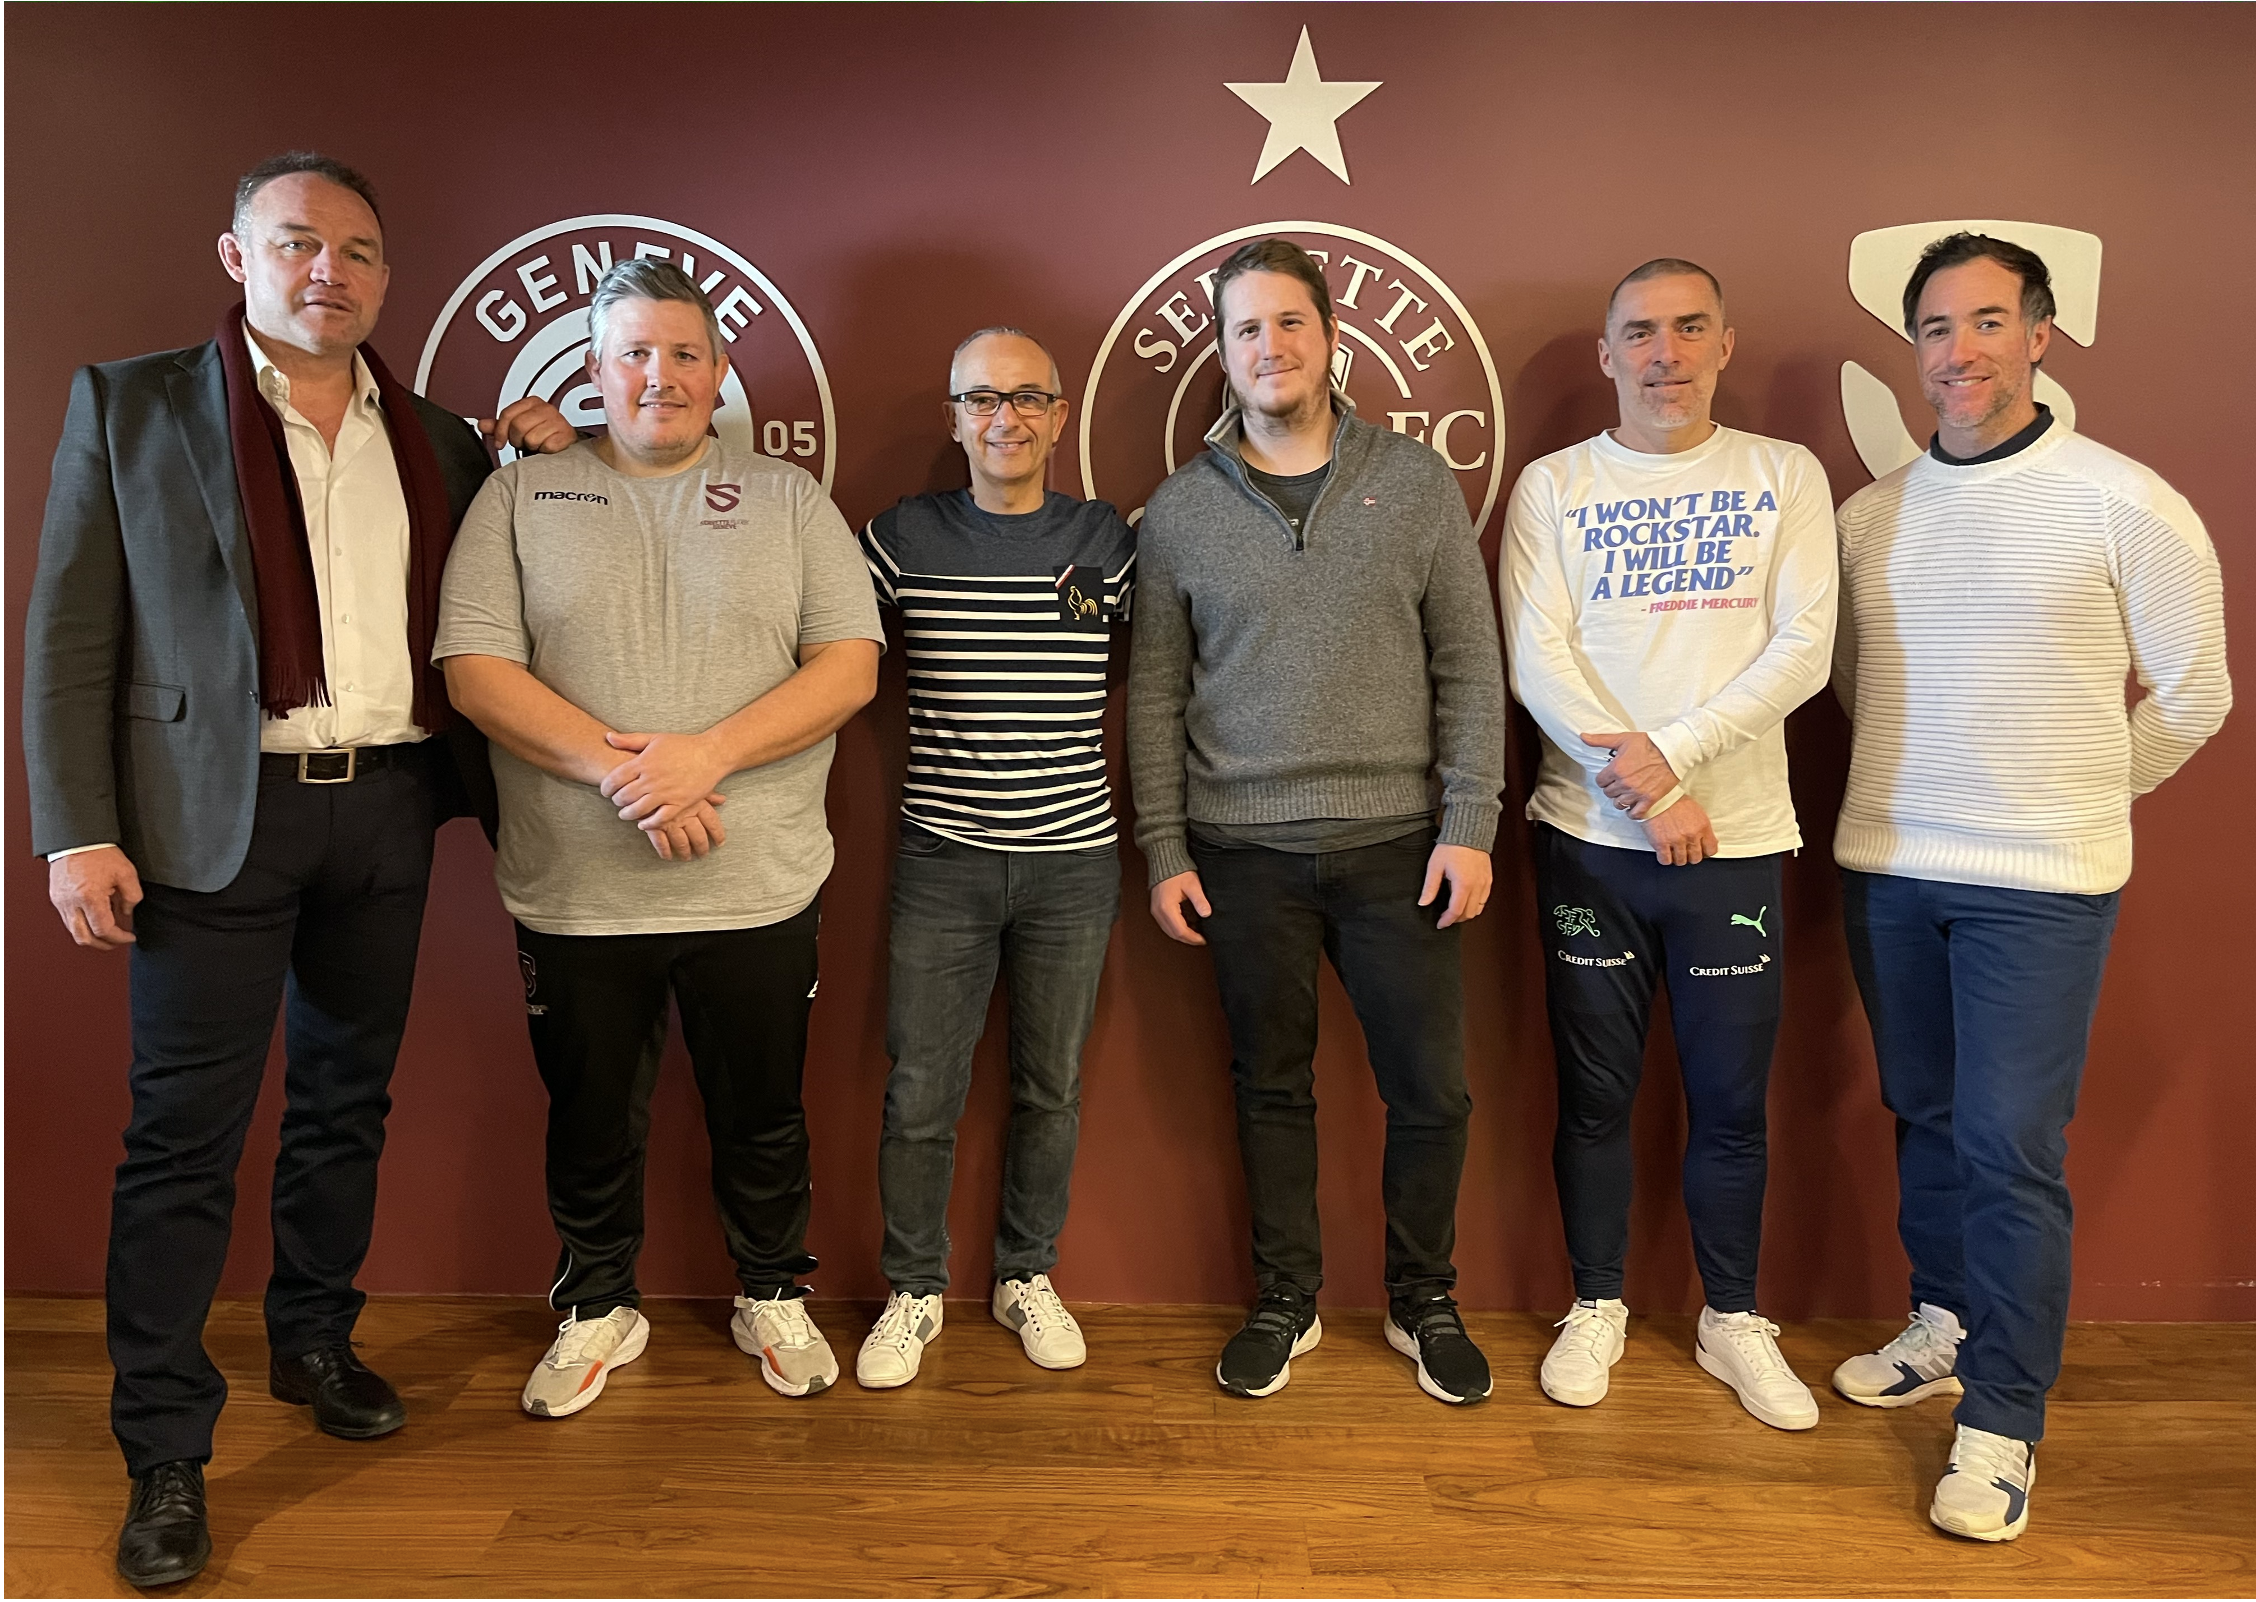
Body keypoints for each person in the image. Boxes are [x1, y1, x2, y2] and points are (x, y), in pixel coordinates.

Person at [22, 151, 573, 1587]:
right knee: (182, 1139)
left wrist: (531, 452)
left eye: (360, 252)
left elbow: (505, 585)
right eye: (297, 243)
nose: (330, 270)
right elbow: (71, 627)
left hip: (385, 810)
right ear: (238, 256)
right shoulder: (132, 405)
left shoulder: (439, 437)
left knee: (343, 1104)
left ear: (387, 278)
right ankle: (163, 1448)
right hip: (210, 823)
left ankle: (314, 1336)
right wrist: (75, 827)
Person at [1828, 233, 2230, 1541]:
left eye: (1990, 322)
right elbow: (1858, 682)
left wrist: (2077, 793)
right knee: (1925, 1115)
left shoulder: (2125, 501)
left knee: (2009, 1148)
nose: (1962, 352)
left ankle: (2002, 1421)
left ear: (2041, 336)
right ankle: (1944, 1321)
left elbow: (2197, 694)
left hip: (2042, 888)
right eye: (1937, 329)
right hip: (1892, 868)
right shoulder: (1872, 517)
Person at [434, 260, 882, 1420]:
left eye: (685, 353)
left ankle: (770, 1291)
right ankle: (597, 1306)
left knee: (765, 1115)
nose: (661, 375)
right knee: (589, 1121)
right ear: (595, 368)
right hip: (576, 890)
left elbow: (849, 665)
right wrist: (631, 775)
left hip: (758, 883)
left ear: (720, 370)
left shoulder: (789, 498)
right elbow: (476, 671)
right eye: (634, 352)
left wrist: (707, 757)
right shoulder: (522, 498)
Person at [1126, 239, 1506, 1405]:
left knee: (1431, 1092)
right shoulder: (1181, 511)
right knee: (1270, 1090)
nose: (1270, 346)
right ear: (1224, 353)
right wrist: (1164, 846)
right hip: (1242, 854)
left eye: (1290, 322)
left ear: (1331, 339)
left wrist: (1470, 820)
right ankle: (1285, 1300)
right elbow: (1154, 691)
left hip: (1400, 847)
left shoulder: (1416, 483)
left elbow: (1469, 662)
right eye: (1246, 328)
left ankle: (1421, 1298)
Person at [1501, 259, 1838, 1430]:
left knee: (1731, 1104)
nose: (1666, 353)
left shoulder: (1783, 476)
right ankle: (1595, 1301)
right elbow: (1538, 658)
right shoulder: (1554, 486)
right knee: (1594, 1098)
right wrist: (1646, 796)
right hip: (1588, 842)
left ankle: (1731, 1317)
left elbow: (1804, 649)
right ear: (1608, 355)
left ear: (1725, 345)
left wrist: (1675, 762)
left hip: (1732, 844)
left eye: (1691, 328)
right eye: (1641, 332)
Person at [850, 328, 1135, 1388]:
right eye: (981, 399)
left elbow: (1171, 666)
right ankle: (913, 1288)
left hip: (1075, 862)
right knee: (921, 1089)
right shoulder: (899, 539)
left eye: (1025, 399)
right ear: (954, 418)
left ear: (1059, 417)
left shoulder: (1108, 541)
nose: (1003, 418)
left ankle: (1026, 1273)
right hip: (944, 858)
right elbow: (819, 650)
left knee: (1049, 1088)